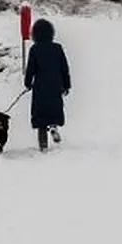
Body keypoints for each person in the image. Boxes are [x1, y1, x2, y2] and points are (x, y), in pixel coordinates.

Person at [23, 18, 71, 152]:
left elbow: (30, 69)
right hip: (56, 86)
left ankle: (43, 146)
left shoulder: (35, 49)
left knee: (41, 117)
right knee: (53, 111)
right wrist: (67, 85)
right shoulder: (58, 48)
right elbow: (64, 68)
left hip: (40, 87)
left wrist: (27, 83)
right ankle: (54, 126)